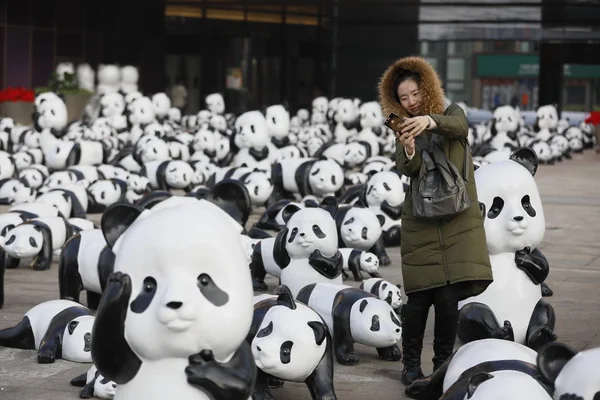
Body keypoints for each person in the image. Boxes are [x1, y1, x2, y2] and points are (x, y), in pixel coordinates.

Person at [377, 56, 493, 387]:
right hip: (422, 220)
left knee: (447, 300)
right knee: (417, 301)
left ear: (426, 89)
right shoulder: (402, 126)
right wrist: (410, 149)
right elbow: (406, 168)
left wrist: (429, 122)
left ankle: (443, 362)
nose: (410, 102)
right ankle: (410, 364)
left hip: (456, 220)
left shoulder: (451, 113)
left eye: (415, 94)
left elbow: (460, 128)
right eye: (403, 98)